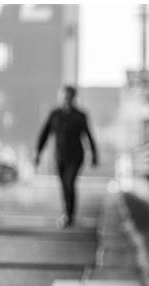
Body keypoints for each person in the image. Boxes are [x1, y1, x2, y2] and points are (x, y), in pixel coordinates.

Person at [35, 85, 98, 227]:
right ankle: (67, 213)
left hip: (76, 156)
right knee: (63, 185)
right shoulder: (55, 115)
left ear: (74, 98)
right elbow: (44, 134)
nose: (66, 99)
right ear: (60, 97)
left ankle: (69, 214)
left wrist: (94, 155)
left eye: (69, 97)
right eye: (64, 96)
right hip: (60, 156)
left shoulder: (80, 115)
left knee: (70, 183)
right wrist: (38, 153)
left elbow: (88, 136)